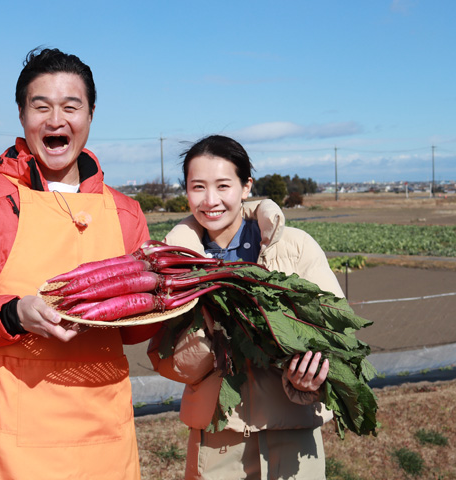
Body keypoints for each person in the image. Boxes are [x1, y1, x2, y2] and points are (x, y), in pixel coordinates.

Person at [0, 47, 157, 480]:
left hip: (101, 438)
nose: (56, 120)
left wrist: (170, 297)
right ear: (20, 114)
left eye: (71, 106)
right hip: (3, 442)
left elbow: (136, 331)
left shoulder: (124, 212)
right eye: (41, 106)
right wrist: (14, 313)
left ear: (90, 115)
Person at [148, 135, 345, 479]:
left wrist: (309, 377)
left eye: (223, 185)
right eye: (198, 187)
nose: (210, 201)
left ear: (245, 186)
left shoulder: (294, 247)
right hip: (218, 437)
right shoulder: (172, 267)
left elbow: (338, 333)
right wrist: (217, 339)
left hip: (294, 432)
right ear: (186, 191)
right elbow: (165, 360)